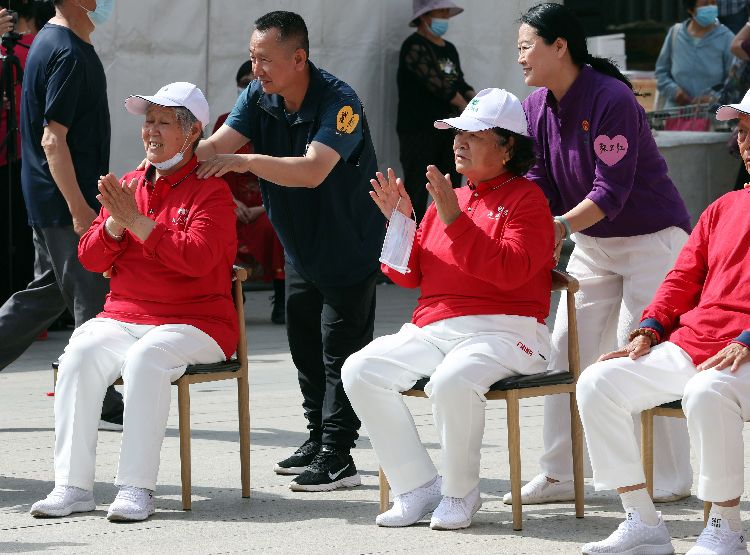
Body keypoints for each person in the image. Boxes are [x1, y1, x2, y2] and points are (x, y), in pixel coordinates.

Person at [507, 3, 694, 507]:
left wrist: (559, 228)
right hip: (592, 245)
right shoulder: (536, 106)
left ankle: (670, 477)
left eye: (527, 46)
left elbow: (609, 192)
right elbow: (538, 178)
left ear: (559, 46)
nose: (519, 57)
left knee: (641, 354)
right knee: (567, 351)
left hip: (651, 243)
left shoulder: (612, 98)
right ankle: (561, 473)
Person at [343, 88, 555, 530]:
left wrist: (453, 217)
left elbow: (510, 271)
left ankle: (461, 493)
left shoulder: (528, 200)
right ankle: (417, 486)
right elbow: (409, 276)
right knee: (360, 369)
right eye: (457, 132)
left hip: (506, 331)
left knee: (452, 382)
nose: (459, 141)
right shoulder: (448, 199)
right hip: (435, 329)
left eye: (474, 134)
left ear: (508, 146)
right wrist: (400, 222)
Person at [30, 82, 237, 522]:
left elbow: (199, 260)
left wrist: (137, 223)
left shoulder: (212, 191)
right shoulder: (128, 185)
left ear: (194, 131)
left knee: (146, 358)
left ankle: (135, 487)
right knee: (79, 354)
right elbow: (89, 256)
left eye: (164, 122)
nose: (151, 131)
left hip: (197, 322)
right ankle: (72, 486)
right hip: (125, 316)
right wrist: (114, 228)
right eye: (148, 121)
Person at [195, 11, 383, 492]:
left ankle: (339, 455)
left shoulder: (340, 103)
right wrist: (169, 147)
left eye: (265, 60)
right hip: (299, 244)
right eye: (253, 57)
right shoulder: (259, 95)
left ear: (298, 58)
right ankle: (317, 437)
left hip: (347, 243)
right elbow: (216, 146)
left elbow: (312, 170)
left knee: (341, 350)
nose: (256, 69)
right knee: (303, 343)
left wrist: (242, 161)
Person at [575, 90, 750, 555]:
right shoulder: (722, 208)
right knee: (597, 381)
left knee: (706, 391)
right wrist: (650, 327)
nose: (745, 142)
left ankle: (726, 527)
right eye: (744, 131)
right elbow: (682, 277)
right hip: (696, 345)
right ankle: (642, 521)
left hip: (743, 353)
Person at [0, 0, 123, 429]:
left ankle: (100, 395)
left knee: (46, 296)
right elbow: (55, 140)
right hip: (63, 200)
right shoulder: (68, 51)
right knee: (90, 298)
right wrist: (79, 209)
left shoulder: (51, 42)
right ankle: (99, 400)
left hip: (49, 195)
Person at [213, 60, 285, 325]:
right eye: (244, 83)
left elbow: (287, 173)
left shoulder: (280, 124)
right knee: (215, 225)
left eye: (255, 83)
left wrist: (262, 207)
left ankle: (281, 298)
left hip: (266, 206)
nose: (250, 88)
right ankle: (230, 293)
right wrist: (230, 201)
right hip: (229, 204)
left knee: (275, 227)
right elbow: (212, 167)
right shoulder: (225, 123)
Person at [397, 0, 474, 222]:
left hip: (448, 130)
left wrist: (474, 98)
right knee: (417, 189)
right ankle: (413, 241)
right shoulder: (414, 46)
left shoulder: (448, 49)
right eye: (439, 12)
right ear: (425, 16)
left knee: (450, 185)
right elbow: (437, 83)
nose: (444, 17)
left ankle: (449, 235)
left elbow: (458, 81)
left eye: (445, 12)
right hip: (418, 131)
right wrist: (462, 103)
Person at [0, 0, 54, 304]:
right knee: (25, 239)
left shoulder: (22, 52)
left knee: (19, 237)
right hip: (31, 158)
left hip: (17, 155)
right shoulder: (47, 48)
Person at [655, 0, 735, 109]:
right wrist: (674, 91)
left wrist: (715, 98)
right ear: (690, 9)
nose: (711, 7)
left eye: (713, 3)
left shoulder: (727, 38)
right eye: (705, 4)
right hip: (675, 116)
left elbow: (734, 82)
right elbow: (661, 73)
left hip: (712, 117)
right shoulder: (675, 33)